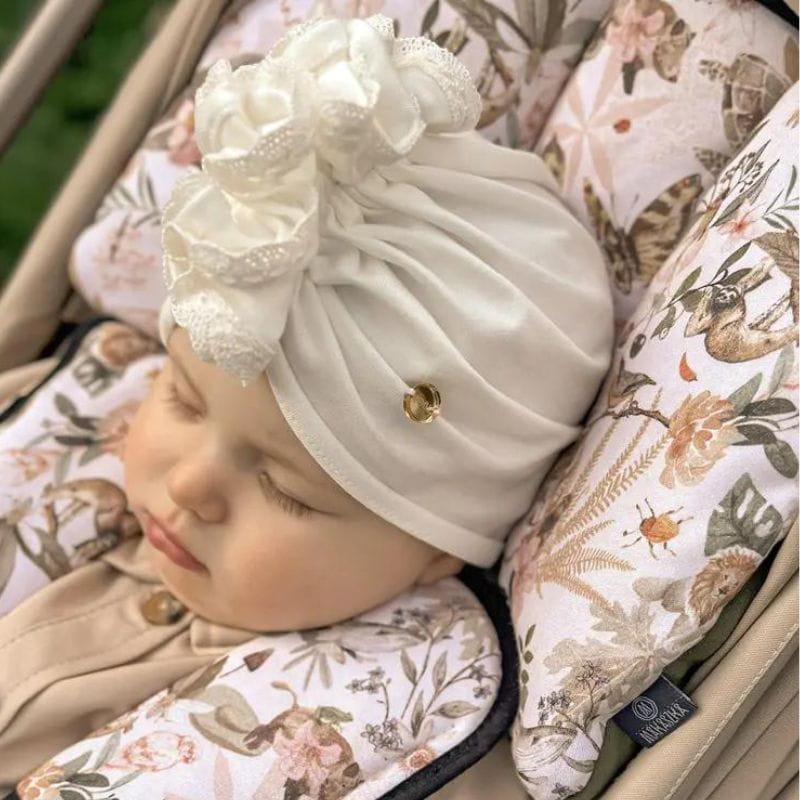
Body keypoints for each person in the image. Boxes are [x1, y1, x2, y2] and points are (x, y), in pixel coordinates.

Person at [0, 13, 614, 788]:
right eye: (182, 399)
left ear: (435, 551)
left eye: (286, 490)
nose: (188, 485)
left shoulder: (385, 716)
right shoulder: (74, 419)